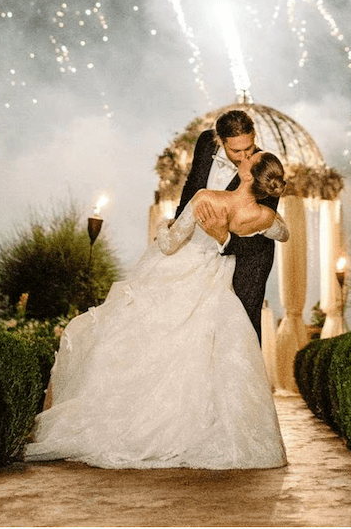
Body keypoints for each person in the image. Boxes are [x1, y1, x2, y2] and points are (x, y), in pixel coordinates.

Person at [24, 149, 289, 469]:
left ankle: (138, 424)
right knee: (204, 356)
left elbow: (170, 244)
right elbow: (282, 233)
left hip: (182, 273)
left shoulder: (207, 199)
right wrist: (238, 233)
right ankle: (195, 429)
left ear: (247, 174)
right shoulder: (265, 217)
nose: (242, 159)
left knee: (141, 342)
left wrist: (165, 227)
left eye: (248, 158)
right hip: (218, 284)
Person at [175, 108, 277, 341]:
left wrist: (224, 237)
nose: (244, 157)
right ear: (220, 141)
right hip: (202, 255)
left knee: (239, 336)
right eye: (236, 150)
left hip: (246, 262)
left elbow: (263, 233)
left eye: (249, 148)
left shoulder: (265, 166)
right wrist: (178, 220)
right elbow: (192, 185)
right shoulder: (204, 143)